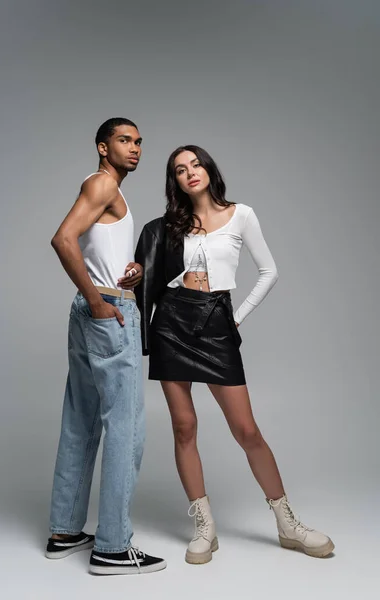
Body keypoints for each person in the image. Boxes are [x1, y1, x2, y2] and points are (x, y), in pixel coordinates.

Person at [135, 145, 334, 565]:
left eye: (195, 164)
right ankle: (205, 527)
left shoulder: (241, 214)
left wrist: (236, 318)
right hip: (172, 322)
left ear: (208, 168)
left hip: (216, 321)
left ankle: (287, 524)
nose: (190, 173)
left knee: (246, 430)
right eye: (180, 169)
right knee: (184, 427)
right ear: (175, 181)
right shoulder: (169, 226)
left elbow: (269, 271)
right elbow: (150, 275)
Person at [46, 118, 166, 576]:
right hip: (108, 315)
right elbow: (62, 239)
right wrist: (100, 301)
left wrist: (128, 271)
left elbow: (95, 248)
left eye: (138, 142)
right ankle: (113, 547)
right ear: (102, 146)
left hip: (93, 309)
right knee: (126, 428)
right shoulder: (102, 184)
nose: (135, 148)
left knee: (80, 417)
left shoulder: (108, 189)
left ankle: (65, 530)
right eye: (124, 140)